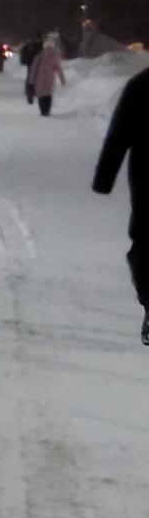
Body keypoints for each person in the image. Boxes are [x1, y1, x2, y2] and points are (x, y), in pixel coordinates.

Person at [93, 64, 149, 345]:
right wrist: (103, 177)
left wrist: (104, 178)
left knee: (144, 245)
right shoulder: (140, 86)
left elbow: (119, 133)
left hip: (147, 182)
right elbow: (120, 131)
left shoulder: (140, 85)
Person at [29, 33, 67, 115]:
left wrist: (31, 80)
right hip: (50, 79)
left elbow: (34, 68)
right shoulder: (54, 57)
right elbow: (58, 69)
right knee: (48, 95)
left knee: (41, 95)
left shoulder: (40, 55)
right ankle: (47, 109)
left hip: (40, 79)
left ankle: (43, 110)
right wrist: (62, 79)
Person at [19, 35, 44, 102]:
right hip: (38, 65)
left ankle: (30, 92)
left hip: (30, 64)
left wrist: (24, 61)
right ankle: (37, 92)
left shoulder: (27, 47)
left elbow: (23, 56)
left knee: (30, 78)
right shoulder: (40, 47)